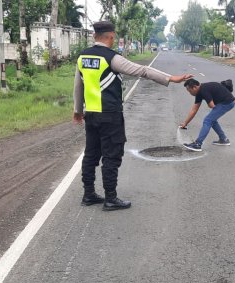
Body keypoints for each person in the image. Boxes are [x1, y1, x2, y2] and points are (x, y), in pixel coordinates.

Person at [74, 21, 192, 211]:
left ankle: (88, 194)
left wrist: (78, 110)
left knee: (91, 155)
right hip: (110, 115)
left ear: (95, 36)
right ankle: (110, 198)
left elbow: (78, 86)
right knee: (111, 156)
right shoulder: (111, 58)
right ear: (111, 37)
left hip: (91, 114)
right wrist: (170, 78)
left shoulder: (82, 57)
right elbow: (142, 70)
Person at [179, 79, 235, 152]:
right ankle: (223, 139)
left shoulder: (204, 90)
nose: (190, 93)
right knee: (212, 120)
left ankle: (198, 144)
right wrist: (185, 123)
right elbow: (194, 110)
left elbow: (211, 105)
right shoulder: (199, 92)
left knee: (207, 120)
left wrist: (211, 103)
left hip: (227, 102)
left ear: (195, 87)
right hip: (226, 102)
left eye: (189, 91)